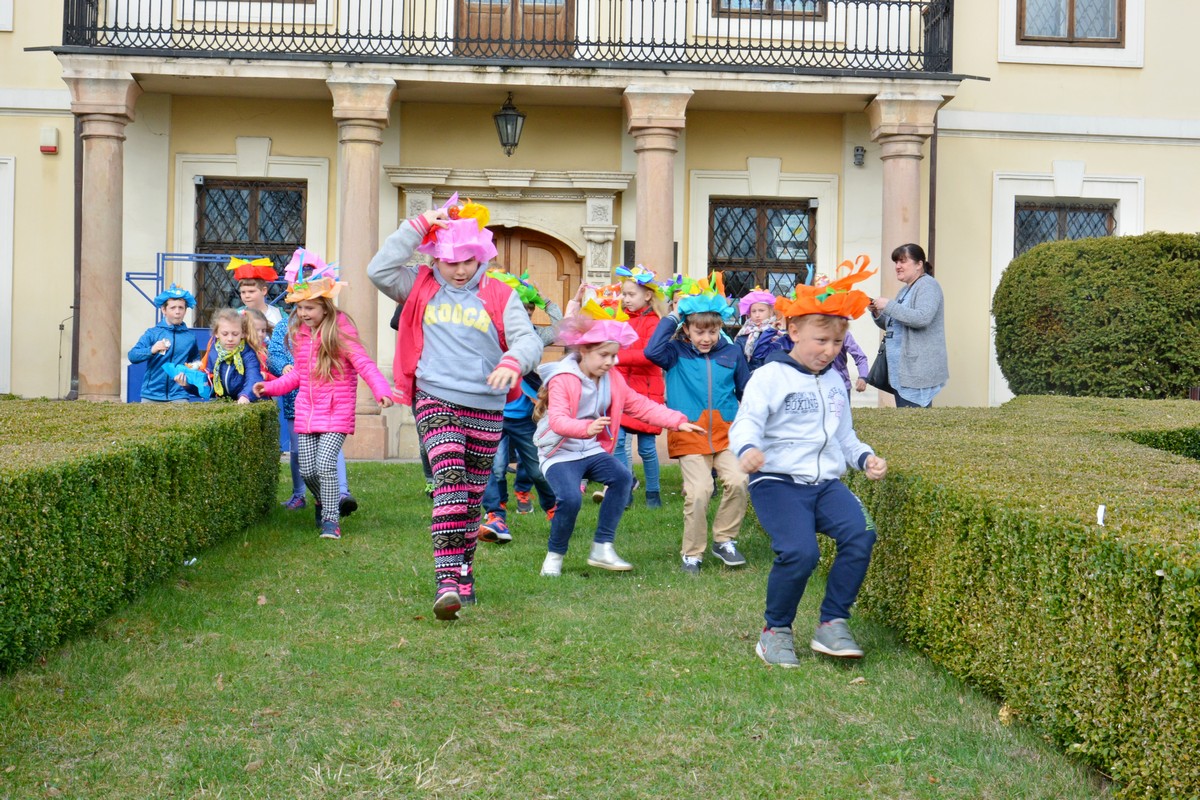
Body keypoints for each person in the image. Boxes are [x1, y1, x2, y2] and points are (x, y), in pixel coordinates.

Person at [367, 193, 543, 620]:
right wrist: (420, 223)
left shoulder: (500, 294)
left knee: (471, 496)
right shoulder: (419, 285)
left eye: (467, 260)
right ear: (435, 258)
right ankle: (446, 580)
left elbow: (529, 340)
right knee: (449, 481)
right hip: (435, 397)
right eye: (450, 262)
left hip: (485, 406)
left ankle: (465, 570)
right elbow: (379, 269)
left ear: (480, 255)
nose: (460, 270)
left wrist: (512, 362)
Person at [728, 258, 888, 666]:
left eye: (836, 342)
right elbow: (745, 423)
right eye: (821, 340)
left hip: (826, 485)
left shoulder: (834, 381)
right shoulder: (769, 377)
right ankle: (775, 632)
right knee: (801, 553)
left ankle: (832, 623)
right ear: (794, 331)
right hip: (776, 483)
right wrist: (748, 450)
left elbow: (844, 436)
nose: (829, 350)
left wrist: (865, 457)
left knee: (861, 534)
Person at [534, 295, 703, 577]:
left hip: (590, 449)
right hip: (559, 452)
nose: (611, 362)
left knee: (623, 478)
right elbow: (559, 421)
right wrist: (585, 429)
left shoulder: (612, 378)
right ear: (584, 351)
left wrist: (677, 421)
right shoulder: (564, 378)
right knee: (571, 500)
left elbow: (639, 405)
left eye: (614, 355)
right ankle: (555, 556)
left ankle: (602, 547)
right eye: (604, 355)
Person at [254, 256, 392, 540]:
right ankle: (323, 500)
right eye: (300, 307)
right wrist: (270, 387)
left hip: (336, 410)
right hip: (307, 411)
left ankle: (331, 520)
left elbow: (364, 364)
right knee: (307, 470)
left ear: (325, 307)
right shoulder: (301, 335)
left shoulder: (340, 331)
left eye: (309, 308)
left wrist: (381, 390)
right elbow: (297, 375)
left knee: (326, 464)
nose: (303, 313)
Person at [645, 279, 751, 574]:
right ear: (687, 330)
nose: (706, 338)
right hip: (689, 434)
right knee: (700, 491)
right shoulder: (674, 353)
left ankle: (724, 539)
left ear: (720, 329)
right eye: (699, 332)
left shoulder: (731, 353)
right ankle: (692, 554)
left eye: (712, 332)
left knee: (739, 480)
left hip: (726, 434)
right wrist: (673, 316)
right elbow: (651, 352)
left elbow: (747, 391)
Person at [268, 250, 358, 517]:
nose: (304, 311)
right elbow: (276, 354)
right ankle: (302, 494)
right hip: (298, 401)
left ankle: (340, 494)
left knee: (329, 454)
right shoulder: (286, 327)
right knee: (302, 456)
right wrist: (280, 372)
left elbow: (359, 360)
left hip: (330, 404)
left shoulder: (335, 328)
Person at [478, 270, 562, 543]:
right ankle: (495, 513)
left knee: (537, 468)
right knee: (494, 467)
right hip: (490, 411)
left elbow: (560, 328)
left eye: (527, 310)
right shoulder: (484, 330)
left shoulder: (534, 336)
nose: (522, 314)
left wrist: (544, 300)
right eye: (517, 309)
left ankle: (553, 508)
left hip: (523, 414)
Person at [589, 265, 669, 509]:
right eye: (624, 294)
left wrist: (618, 357)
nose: (625, 299)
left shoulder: (655, 322)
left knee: (647, 448)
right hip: (621, 389)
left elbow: (649, 355)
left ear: (648, 295)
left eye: (631, 294)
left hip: (647, 390)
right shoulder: (619, 318)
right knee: (618, 441)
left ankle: (653, 494)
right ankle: (625, 491)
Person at [868, 244, 948, 408]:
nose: (897, 266)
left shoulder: (928, 285)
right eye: (896, 262)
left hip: (916, 371)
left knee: (915, 421)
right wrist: (877, 312)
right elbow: (895, 324)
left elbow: (922, 318)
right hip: (902, 372)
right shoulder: (906, 290)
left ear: (919, 264)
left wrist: (889, 305)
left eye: (903, 261)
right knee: (907, 419)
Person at [128, 284, 199, 403]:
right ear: (164, 310)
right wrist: (152, 350)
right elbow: (132, 356)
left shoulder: (190, 337)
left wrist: (189, 374)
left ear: (185, 310)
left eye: (181, 308)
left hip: (179, 395)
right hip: (151, 395)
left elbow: (195, 362)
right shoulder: (152, 333)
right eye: (173, 308)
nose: (177, 312)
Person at [180, 307, 264, 403]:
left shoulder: (248, 354)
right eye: (225, 334)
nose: (230, 339)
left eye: (235, 334)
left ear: (243, 334)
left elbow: (253, 377)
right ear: (216, 333)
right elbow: (208, 385)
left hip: (245, 401)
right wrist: (188, 385)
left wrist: (246, 396)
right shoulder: (214, 353)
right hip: (222, 402)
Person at [734, 288, 790, 372]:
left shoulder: (777, 330)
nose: (757, 315)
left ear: (770, 312)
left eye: (761, 310)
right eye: (753, 311)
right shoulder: (744, 333)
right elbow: (737, 359)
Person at [227, 257, 283, 327]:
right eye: (243, 292)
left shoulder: (277, 314)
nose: (247, 296)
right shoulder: (237, 315)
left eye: (251, 291)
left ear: (264, 291)